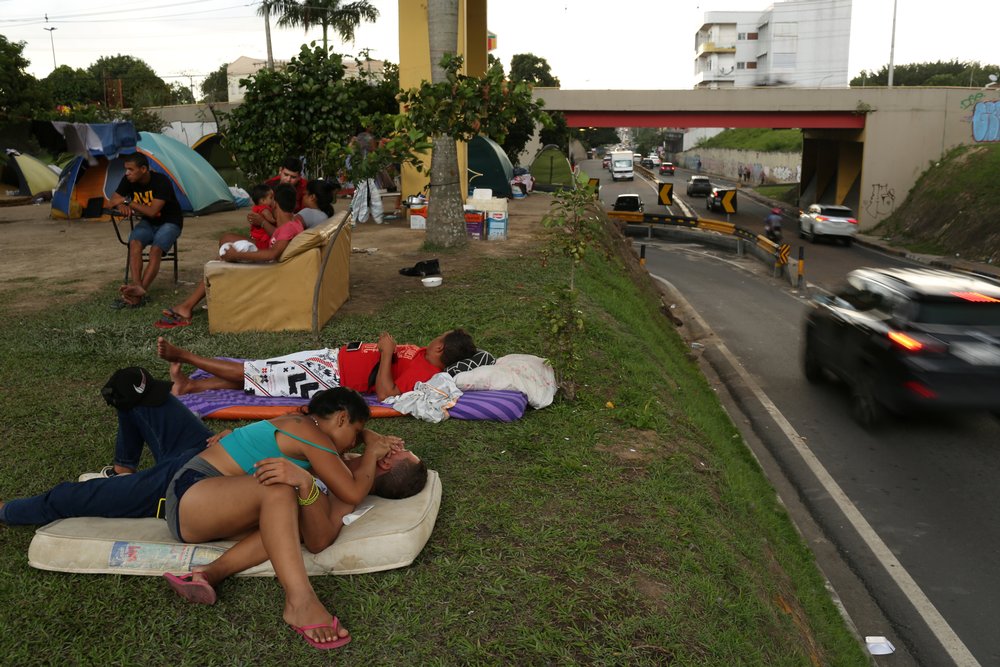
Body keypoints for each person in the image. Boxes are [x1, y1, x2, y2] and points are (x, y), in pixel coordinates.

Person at [156, 328, 477, 401]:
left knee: (255, 373)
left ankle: (182, 355)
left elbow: (385, 394)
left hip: (330, 377)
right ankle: (190, 386)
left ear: (440, 346)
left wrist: (387, 353)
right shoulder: (423, 354)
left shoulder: (426, 373)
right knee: (261, 375)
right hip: (331, 358)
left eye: (440, 335)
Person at [156, 184, 305, 329]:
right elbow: (278, 242)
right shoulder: (294, 223)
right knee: (224, 249)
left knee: (221, 260)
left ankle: (187, 306)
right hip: (272, 267)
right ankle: (189, 304)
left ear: (275, 204)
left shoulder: (287, 228)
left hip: (267, 270)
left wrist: (237, 254)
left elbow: (272, 254)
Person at [108, 153, 184, 308]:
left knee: (155, 250)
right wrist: (120, 205)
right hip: (148, 223)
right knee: (134, 243)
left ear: (143, 169)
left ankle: (140, 291)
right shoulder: (128, 180)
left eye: (130, 169)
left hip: (170, 222)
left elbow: (152, 211)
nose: (127, 173)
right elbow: (112, 200)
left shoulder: (161, 181)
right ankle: (138, 288)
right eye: (126, 169)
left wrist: (127, 201)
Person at [349, 127, 384, 225]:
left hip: (359, 169)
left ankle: (358, 213)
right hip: (365, 168)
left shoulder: (355, 140)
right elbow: (373, 150)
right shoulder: (367, 138)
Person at [248, 184, 277, 250]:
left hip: (255, 234)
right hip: (263, 235)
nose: (273, 200)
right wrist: (276, 220)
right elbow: (271, 220)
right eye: (271, 198)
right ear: (263, 200)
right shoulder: (265, 210)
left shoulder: (255, 208)